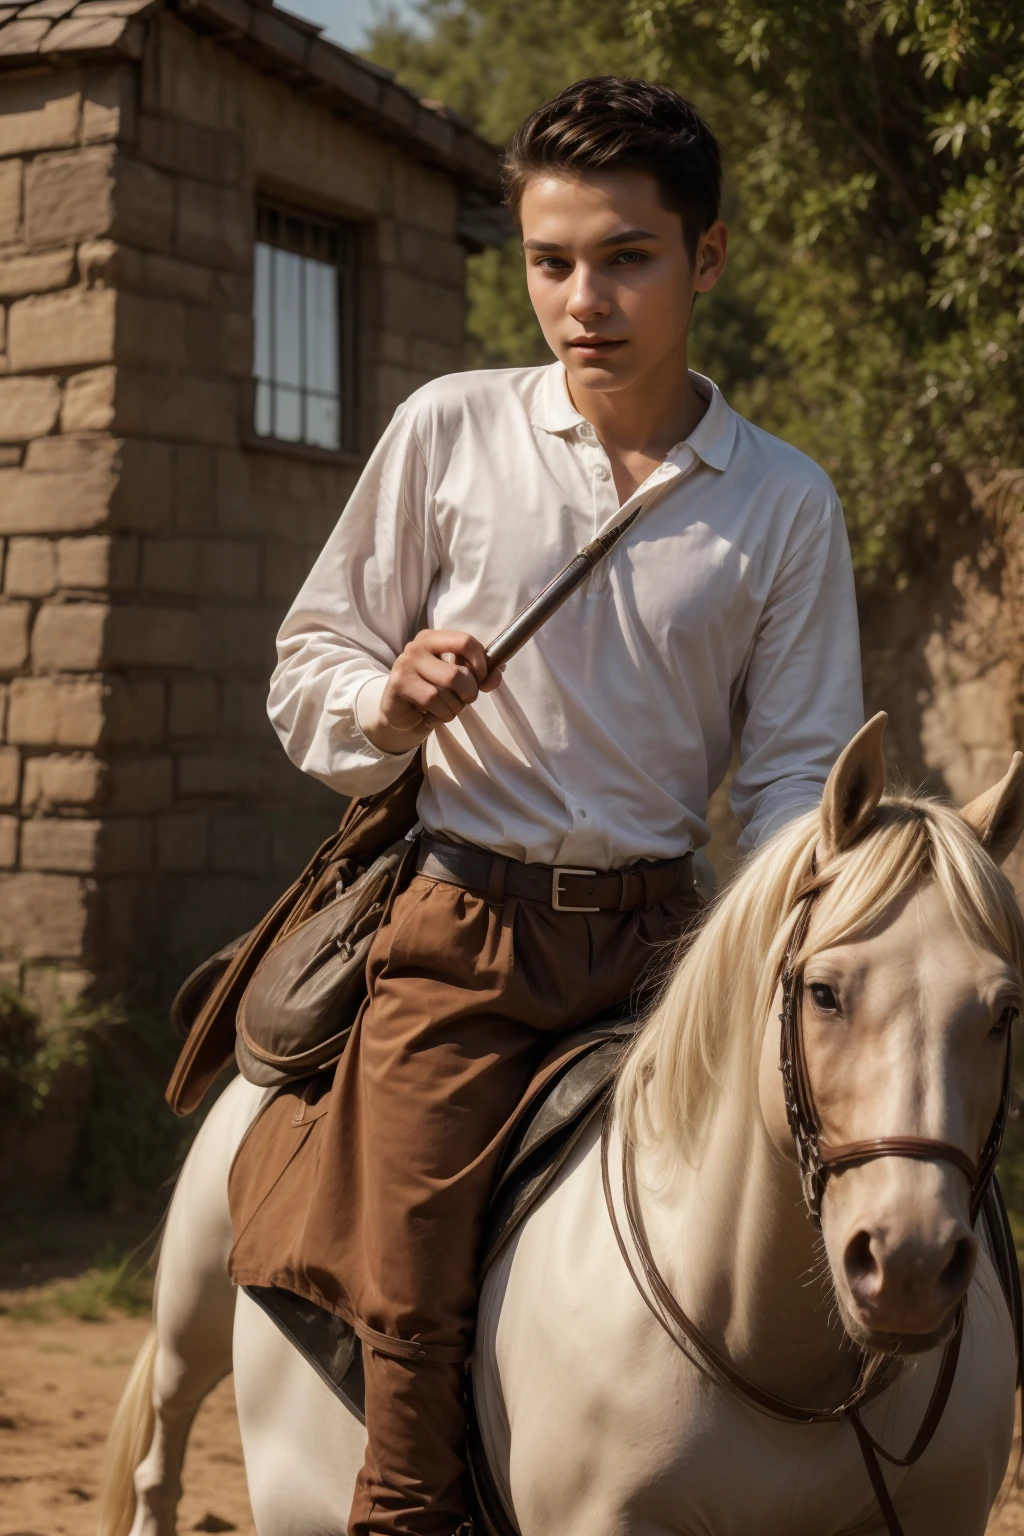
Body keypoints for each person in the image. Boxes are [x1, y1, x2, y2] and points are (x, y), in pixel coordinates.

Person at [266, 76, 864, 1536]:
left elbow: (798, 769)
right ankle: (408, 1508)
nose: (582, 298)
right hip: (459, 944)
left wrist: (781, 932)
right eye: (550, 262)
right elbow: (309, 668)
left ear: (706, 258)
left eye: (627, 257)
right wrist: (389, 702)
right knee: (410, 1291)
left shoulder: (784, 501)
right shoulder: (448, 431)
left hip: (674, 953)